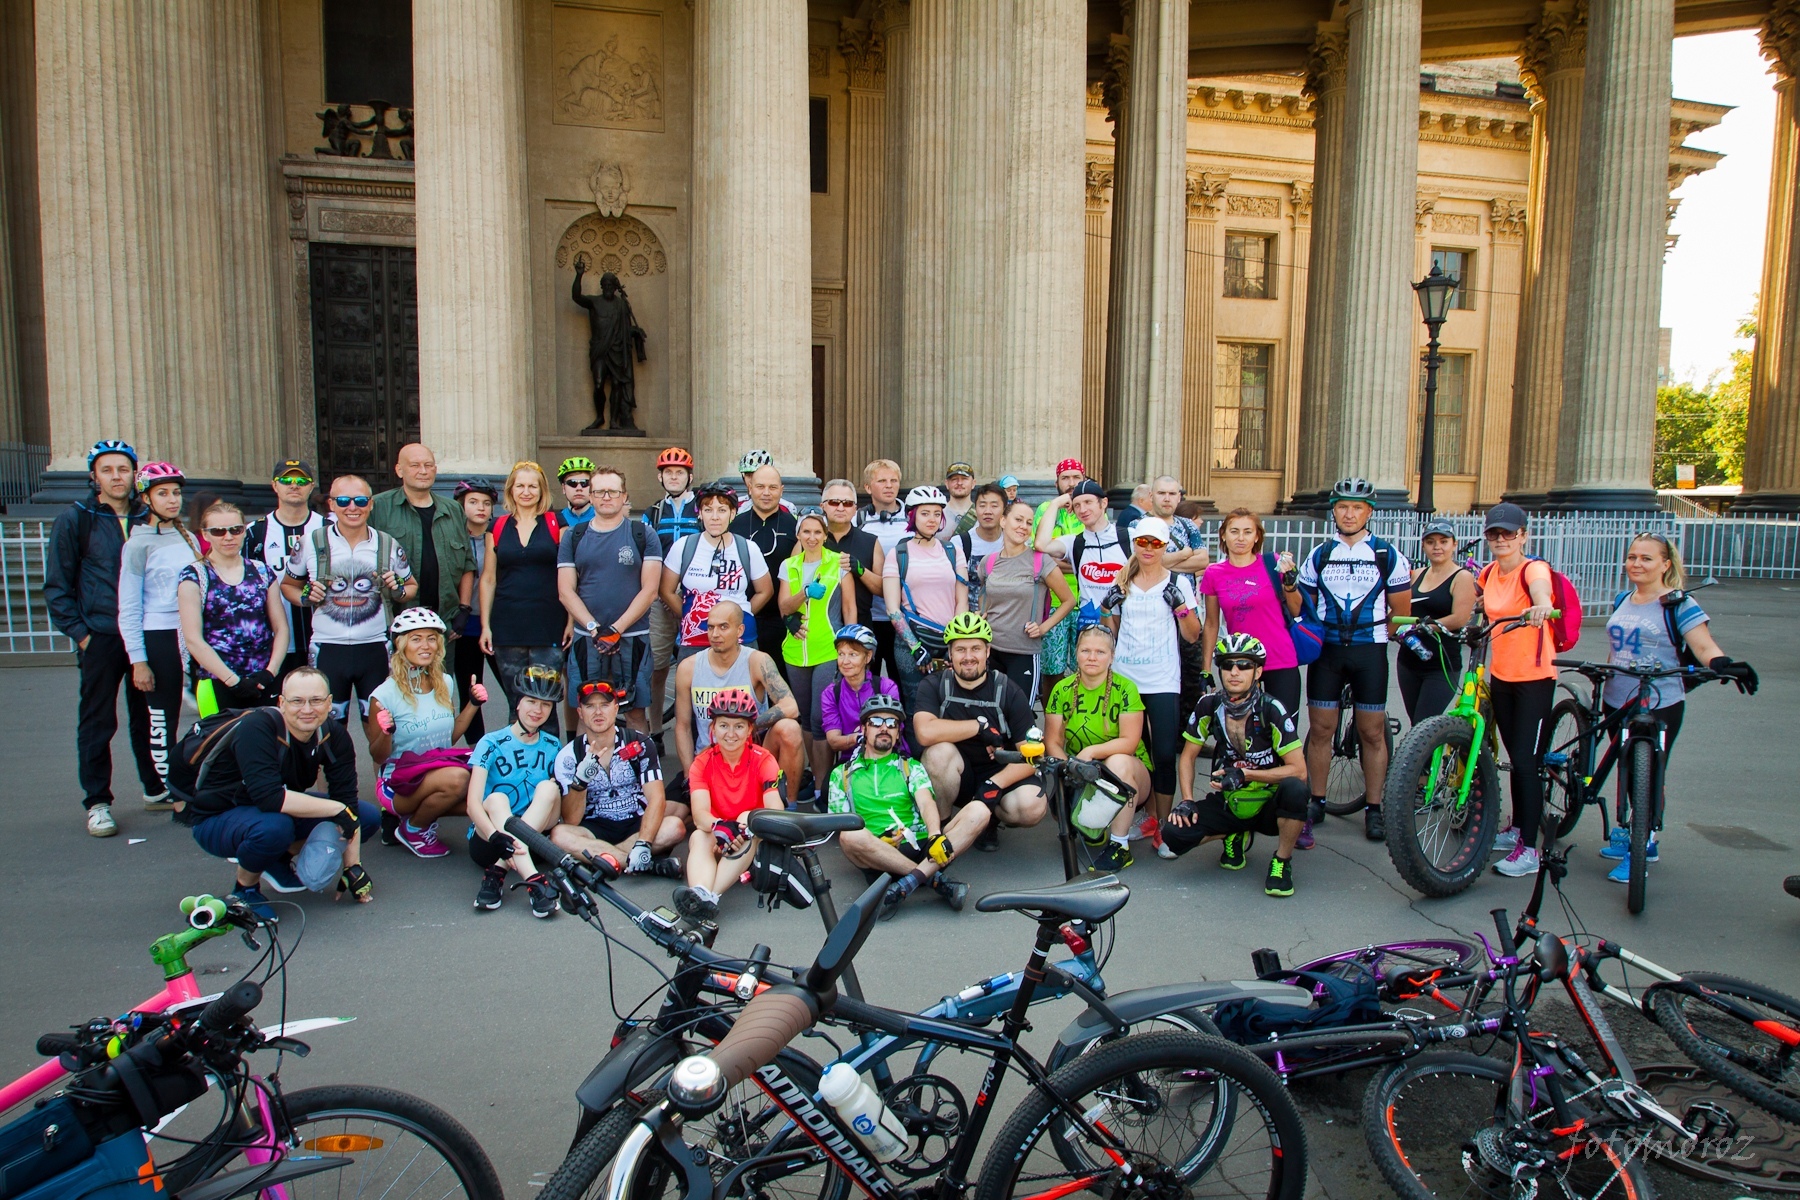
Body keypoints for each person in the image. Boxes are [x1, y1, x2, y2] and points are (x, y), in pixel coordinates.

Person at [1591, 532, 1756, 883]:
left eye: (1646, 558)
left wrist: (1723, 663)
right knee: (1626, 764)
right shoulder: (1624, 598)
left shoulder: (1678, 604)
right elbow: (1617, 648)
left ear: (1665, 564)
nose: (1636, 563)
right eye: (1632, 556)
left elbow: (1702, 644)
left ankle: (1644, 842)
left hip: (1661, 700)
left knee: (1646, 770)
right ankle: (1633, 830)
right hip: (1617, 698)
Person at [173, 667, 380, 920]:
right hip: (217, 818)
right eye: (297, 701)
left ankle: (276, 858)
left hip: (271, 811)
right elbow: (270, 797)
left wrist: (353, 867)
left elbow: (347, 801)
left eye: (316, 701)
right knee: (275, 827)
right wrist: (338, 810)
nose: (307, 709)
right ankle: (244, 891)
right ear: (282, 702)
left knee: (367, 818)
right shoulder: (257, 727)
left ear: (329, 704)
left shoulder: (333, 734)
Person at [48, 440, 164, 836]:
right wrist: (82, 637)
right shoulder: (76, 519)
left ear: (135, 475)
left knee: (148, 715)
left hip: (146, 634)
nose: (117, 477)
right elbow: (57, 586)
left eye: (123, 469)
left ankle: (154, 786)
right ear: (94, 476)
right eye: (108, 470)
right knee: (98, 720)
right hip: (100, 635)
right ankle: (97, 800)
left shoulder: (149, 517)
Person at [1296, 477, 1410, 842]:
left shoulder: (1386, 554)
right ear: (1334, 511)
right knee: (1321, 730)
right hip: (1327, 650)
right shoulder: (1319, 554)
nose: (1349, 514)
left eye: (1357, 508)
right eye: (1343, 507)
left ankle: (1374, 809)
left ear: (1369, 512)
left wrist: (1374, 634)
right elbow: (1303, 605)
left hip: (1369, 649)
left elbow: (1400, 611)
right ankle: (1317, 799)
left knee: (1372, 732)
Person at [1165, 633, 1310, 898]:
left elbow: (1299, 770)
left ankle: (1281, 860)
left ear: (1258, 671)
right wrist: (1187, 800)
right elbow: (1187, 757)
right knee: (1173, 834)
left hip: (1268, 802)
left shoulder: (1272, 709)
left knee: (1296, 789)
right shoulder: (1208, 705)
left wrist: (1246, 774)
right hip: (1230, 801)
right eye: (1227, 665)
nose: (1234, 672)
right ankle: (1234, 832)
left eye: (1244, 665)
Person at [831, 694, 987, 918]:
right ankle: (934, 881)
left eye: (892, 723)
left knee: (979, 811)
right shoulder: (841, 774)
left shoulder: (909, 766)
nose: (884, 728)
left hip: (922, 848)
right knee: (849, 836)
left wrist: (934, 835)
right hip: (876, 853)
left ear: (897, 733)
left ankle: (903, 887)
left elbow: (925, 801)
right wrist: (876, 842)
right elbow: (840, 823)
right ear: (863, 729)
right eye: (876, 722)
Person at [1099, 516, 1200, 855]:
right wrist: (1106, 607)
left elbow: (1193, 634)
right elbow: (1109, 628)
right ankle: (1140, 815)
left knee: (1164, 752)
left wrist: (1181, 608)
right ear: (1135, 544)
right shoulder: (1122, 580)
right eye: (1142, 542)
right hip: (1126, 678)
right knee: (1130, 750)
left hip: (1162, 679)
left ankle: (1163, 821)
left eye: (1155, 543)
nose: (1148, 549)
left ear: (1165, 545)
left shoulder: (1178, 582)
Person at [281, 475, 417, 724]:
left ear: (371, 504)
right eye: (343, 501)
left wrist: (397, 589)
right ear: (331, 504)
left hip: (374, 648)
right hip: (327, 648)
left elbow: (410, 587)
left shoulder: (387, 544)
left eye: (361, 500)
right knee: (326, 728)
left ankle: (382, 766)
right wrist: (305, 597)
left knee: (380, 727)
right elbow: (289, 585)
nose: (352, 508)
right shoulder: (311, 542)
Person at [912, 613, 1048, 851]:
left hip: (997, 773)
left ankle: (989, 820)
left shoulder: (1007, 689)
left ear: (987, 652)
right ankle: (941, 829)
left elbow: (1033, 757)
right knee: (937, 753)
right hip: (957, 773)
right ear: (950, 654)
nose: (968, 657)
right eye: (960, 650)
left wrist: (993, 784)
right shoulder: (934, 685)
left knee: (1031, 806)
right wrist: (979, 726)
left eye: (975, 648)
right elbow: (924, 731)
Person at [368, 608, 482, 858]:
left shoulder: (445, 681)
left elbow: (447, 739)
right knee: (458, 779)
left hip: (434, 768)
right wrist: (387, 732)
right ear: (400, 645)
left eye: (431, 638)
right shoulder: (384, 695)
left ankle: (421, 815)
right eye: (416, 638)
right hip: (397, 781)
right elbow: (377, 755)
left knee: (486, 793)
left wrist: (473, 704)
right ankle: (413, 828)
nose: (426, 645)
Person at [118, 462, 201, 801]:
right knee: (163, 716)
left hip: (192, 634)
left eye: (176, 493)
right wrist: (138, 660)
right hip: (159, 636)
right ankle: (167, 788)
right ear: (146, 498)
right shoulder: (137, 544)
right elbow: (129, 606)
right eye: (162, 493)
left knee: (206, 711)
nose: (172, 500)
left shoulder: (189, 536)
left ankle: (201, 777)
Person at [558, 463, 662, 736]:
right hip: (587, 639)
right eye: (600, 491)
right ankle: (584, 774)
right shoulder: (574, 537)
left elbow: (650, 590)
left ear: (624, 496)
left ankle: (640, 772)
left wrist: (616, 629)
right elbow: (565, 591)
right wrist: (594, 628)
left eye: (613, 492)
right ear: (591, 496)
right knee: (587, 710)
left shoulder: (643, 534)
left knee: (635, 712)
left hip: (632, 637)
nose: (606, 497)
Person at [1043, 625, 1156, 872]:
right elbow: (1051, 742)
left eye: (1100, 652)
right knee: (1063, 797)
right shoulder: (1062, 689)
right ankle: (1095, 825)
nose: (1092, 657)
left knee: (1118, 762)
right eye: (1085, 651)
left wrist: (1092, 752)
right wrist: (1069, 767)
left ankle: (1120, 846)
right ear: (1076, 653)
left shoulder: (1126, 689)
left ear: (1112, 656)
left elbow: (1130, 742)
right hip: (1080, 769)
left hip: (1130, 774)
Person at [552, 678, 686, 874]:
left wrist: (643, 842)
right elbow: (571, 820)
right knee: (559, 835)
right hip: (594, 827)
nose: (598, 712)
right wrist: (580, 783)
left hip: (636, 822)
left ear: (615, 708)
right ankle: (643, 865)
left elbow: (657, 798)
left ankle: (609, 860)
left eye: (605, 705)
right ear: (580, 713)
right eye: (590, 706)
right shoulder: (568, 755)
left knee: (675, 827)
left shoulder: (640, 743)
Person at [673, 688, 785, 921]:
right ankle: (700, 892)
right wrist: (720, 826)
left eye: (739, 726)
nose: (731, 733)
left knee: (746, 832)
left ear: (750, 730)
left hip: (752, 835)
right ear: (712, 729)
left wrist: (746, 820)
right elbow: (699, 814)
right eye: (723, 725)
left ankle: (709, 898)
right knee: (698, 837)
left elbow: (776, 810)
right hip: (719, 832)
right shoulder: (702, 762)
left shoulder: (764, 759)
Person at [480, 461, 571, 737]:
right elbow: (488, 578)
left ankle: (552, 766)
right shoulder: (496, 526)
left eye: (533, 486)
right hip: (508, 624)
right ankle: (518, 763)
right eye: (520, 485)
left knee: (545, 698)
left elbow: (568, 573)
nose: (526, 491)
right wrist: (485, 626)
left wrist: (570, 620)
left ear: (542, 490)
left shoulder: (557, 522)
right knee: (517, 700)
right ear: (511, 489)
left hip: (549, 623)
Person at [673, 601, 804, 787]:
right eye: (710, 627)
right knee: (671, 814)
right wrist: (690, 775)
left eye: (723, 627)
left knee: (790, 729)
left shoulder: (757, 661)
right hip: (710, 757)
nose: (715, 634)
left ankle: (785, 808)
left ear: (740, 630)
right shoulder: (688, 667)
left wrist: (746, 725)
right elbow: (682, 727)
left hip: (753, 755)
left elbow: (791, 707)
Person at [466, 671, 565, 916]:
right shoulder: (490, 743)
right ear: (518, 702)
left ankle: (497, 873)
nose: (538, 710)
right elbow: (472, 804)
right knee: (496, 798)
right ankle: (534, 880)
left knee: (550, 787)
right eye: (531, 701)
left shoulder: (553, 745)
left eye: (545, 704)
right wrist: (496, 838)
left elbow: (555, 803)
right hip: (490, 840)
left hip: (535, 839)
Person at [178, 498, 287, 712]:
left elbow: (281, 628)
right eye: (218, 531)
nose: (228, 537)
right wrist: (232, 681)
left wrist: (269, 672)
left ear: (244, 531)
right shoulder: (194, 576)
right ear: (205, 534)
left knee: (266, 742)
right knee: (219, 743)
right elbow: (193, 638)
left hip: (262, 680)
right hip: (217, 682)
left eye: (236, 530)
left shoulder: (262, 571)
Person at [777, 509, 855, 792]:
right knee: (804, 717)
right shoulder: (789, 565)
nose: (812, 537)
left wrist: (852, 647)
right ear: (798, 535)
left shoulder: (838, 564)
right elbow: (784, 607)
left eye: (817, 532)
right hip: (795, 650)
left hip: (828, 649)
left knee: (821, 718)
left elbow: (849, 608)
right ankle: (815, 775)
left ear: (825, 536)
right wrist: (805, 592)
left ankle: (824, 787)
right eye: (806, 532)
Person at [1200, 509, 1303, 716]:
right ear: (1223, 535)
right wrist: (1206, 668)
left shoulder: (1272, 563)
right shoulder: (1213, 573)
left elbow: (1296, 608)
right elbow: (1211, 623)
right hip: (1240, 661)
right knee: (1241, 728)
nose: (1240, 538)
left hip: (1279, 657)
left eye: (1247, 532)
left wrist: (1290, 582)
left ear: (1257, 536)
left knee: (1284, 728)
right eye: (1234, 531)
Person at [370, 443, 477, 632]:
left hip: (444, 622)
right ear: (399, 470)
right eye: (415, 465)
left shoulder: (453, 510)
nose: (423, 471)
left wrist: (464, 609)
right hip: (396, 621)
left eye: (428, 465)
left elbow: (467, 563)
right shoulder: (378, 507)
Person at [977, 499, 1077, 700]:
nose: (1023, 527)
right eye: (1018, 520)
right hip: (989, 650)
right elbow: (984, 596)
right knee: (989, 716)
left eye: (1029, 523)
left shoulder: (1040, 561)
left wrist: (1043, 628)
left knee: (1020, 718)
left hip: (1023, 652)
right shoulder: (988, 562)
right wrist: (981, 615)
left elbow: (1069, 600)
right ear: (1003, 521)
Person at [884, 485, 970, 709]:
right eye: (924, 513)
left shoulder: (953, 551)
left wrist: (955, 642)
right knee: (916, 708)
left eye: (937, 513)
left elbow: (962, 601)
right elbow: (893, 608)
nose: (932, 519)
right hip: (911, 642)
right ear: (912, 516)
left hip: (949, 641)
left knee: (952, 706)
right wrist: (916, 648)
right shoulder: (898, 554)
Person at [662, 484, 772, 658]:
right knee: (691, 685)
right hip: (695, 639)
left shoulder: (748, 548)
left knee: (742, 685)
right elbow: (666, 590)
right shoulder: (683, 546)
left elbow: (765, 590)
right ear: (699, 513)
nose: (715, 517)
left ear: (732, 513)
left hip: (740, 639)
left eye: (722, 510)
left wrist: (740, 616)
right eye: (708, 510)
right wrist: (687, 615)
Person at [246, 459, 326, 680]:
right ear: (274, 485)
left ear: (311, 487)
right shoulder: (255, 532)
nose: (294, 485)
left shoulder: (328, 529)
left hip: (322, 637)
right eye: (286, 480)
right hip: (275, 640)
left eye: (301, 480)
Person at [643, 447, 700, 736]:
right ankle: (655, 730)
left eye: (679, 473)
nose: (674, 477)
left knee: (695, 664)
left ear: (689, 477)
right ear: (660, 477)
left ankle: (692, 729)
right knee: (658, 666)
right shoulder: (653, 513)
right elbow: (646, 556)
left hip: (694, 596)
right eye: (669, 473)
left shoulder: (701, 509)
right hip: (659, 597)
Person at [1396, 519, 1475, 725]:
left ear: (1454, 544)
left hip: (1441, 665)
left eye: (1443, 541)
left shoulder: (1462, 577)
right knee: (1416, 726)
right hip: (1408, 662)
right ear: (1423, 546)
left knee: (1425, 725)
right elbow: (1400, 607)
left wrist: (1424, 627)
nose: (1437, 547)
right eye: (1430, 542)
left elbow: (1460, 617)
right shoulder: (1417, 574)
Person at [731, 456, 800, 667]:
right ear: (750, 488)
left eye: (772, 487)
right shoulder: (734, 526)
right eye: (760, 487)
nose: (766, 493)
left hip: (782, 618)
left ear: (782, 490)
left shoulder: (794, 526)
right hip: (743, 615)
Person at [1034, 478, 1127, 631]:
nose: (1082, 509)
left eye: (1088, 502)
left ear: (1103, 503)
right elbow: (1041, 544)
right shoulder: (1075, 543)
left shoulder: (1128, 538)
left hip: (1123, 626)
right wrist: (1055, 504)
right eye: (1077, 505)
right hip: (1088, 627)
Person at [1030, 460, 1092, 681]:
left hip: (1086, 602)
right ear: (1056, 482)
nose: (1071, 483)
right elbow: (1038, 554)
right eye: (1065, 478)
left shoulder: (1091, 510)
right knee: (1051, 670)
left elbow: (1092, 558)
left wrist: (1063, 562)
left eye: (1076, 477)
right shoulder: (1047, 509)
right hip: (1053, 601)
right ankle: (1052, 715)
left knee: (1085, 668)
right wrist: (1079, 564)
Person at [451, 479, 500, 744]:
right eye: (473, 502)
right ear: (461, 506)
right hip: (464, 625)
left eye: (486, 503)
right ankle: (475, 750)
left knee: (512, 685)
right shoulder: (453, 537)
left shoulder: (499, 536)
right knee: (471, 690)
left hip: (493, 622)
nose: (480, 508)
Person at [854, 459, 909, 681]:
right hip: (870, 616)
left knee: (901, 680)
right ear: (868, 488)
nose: (889, 485)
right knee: (868, 679)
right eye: (882, 481)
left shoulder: (913, 519)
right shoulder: (857, 520)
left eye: (894, 481)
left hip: (903, 616)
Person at [819, 624, 904, 764]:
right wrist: (861, 737)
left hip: (889, 757)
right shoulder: (831, 693)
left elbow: (894, 731)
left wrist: (854, 737)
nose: (845, 661)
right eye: (841, 654)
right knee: (825, 786)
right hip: (851, 761)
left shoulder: (886, 687)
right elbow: (834, 741)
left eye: (853, 654)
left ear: (868, 656)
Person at [820, 477, 885, 663]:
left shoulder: (870, 541)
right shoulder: (811, 538)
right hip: (819, 627)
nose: (841, 508)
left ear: (855, 508)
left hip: (861, 624)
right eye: (834, 502)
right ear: (823, 505)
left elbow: (882, 589)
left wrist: (860, 569)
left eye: (847, 503)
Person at [1146, 477, 1210, 575]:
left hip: (1185, 590)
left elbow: (1203, 561)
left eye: (1172, 494)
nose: (1167, 499)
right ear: (1151, 496)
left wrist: (1162, 562)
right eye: (1161, 493)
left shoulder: (1188, 524)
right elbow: (1142, 562)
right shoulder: (1138, 525)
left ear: (1179, 497)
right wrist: (1183, 555)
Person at [950, 484, 1007, 584]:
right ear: (975, 509)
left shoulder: (1011, 543)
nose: (988, 511)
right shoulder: (959, 543)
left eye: (994, 506)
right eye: (982, 506)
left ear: (1004, 510)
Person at [735, 449, 798, 514]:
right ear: (743, 477)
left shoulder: (787, 508)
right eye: (749, 475)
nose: (753, 479)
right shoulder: (735, 505)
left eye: (758, 475)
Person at [556, 456, 598, 528]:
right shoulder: (555, 520)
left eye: (585, 483)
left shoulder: (603, 517)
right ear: (563, 488)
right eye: (572, 483)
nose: (579, 488)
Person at [941, 462, 976, 537]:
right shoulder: (937, 514)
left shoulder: (981, 514)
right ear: (947, 484)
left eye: (964, 479)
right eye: (954, 479)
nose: (959, 483)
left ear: (973, 483)